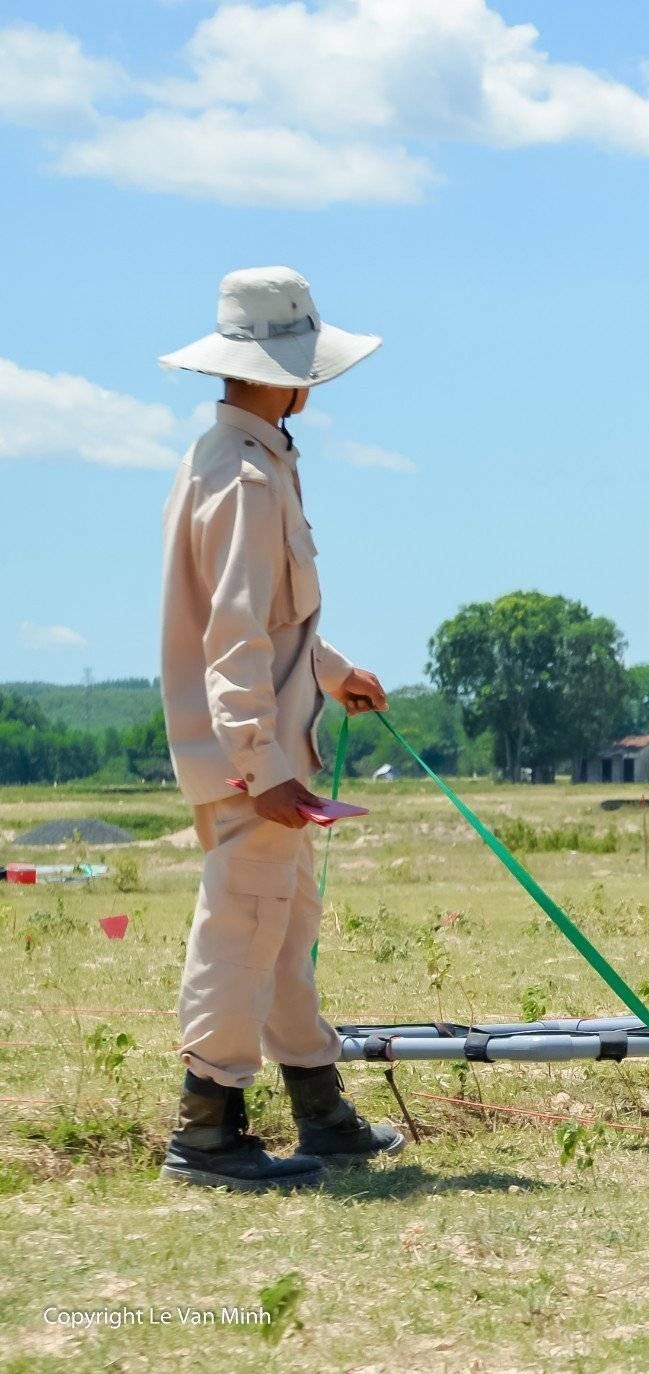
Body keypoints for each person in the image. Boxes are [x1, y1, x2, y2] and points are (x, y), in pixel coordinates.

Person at [156, 267, 404, 1190]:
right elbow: (232, 640)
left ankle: (323, 1116)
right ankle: (207, 1134)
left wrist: (336, 674)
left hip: (265, 758)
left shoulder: (240, 459)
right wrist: (262, 767)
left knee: (284, 935)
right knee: (243, 932)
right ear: (287, 374)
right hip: (250, 768)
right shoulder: (249, 478)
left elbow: (270, 619)